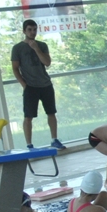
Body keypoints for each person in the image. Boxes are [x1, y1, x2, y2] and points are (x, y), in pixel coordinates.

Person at [11, 19, 65, 150]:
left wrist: (36, 49)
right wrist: (24, 85)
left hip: (45, 84)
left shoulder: (42, 45)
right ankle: (29, 144)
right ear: (24, 31)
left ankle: (54, 139)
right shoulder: (17, 48)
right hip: (30, 86)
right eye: (29, 30)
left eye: (34, 29)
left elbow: (47, 62)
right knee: (28, 116)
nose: (32, 32)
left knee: (51, 113)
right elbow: (15, 68)